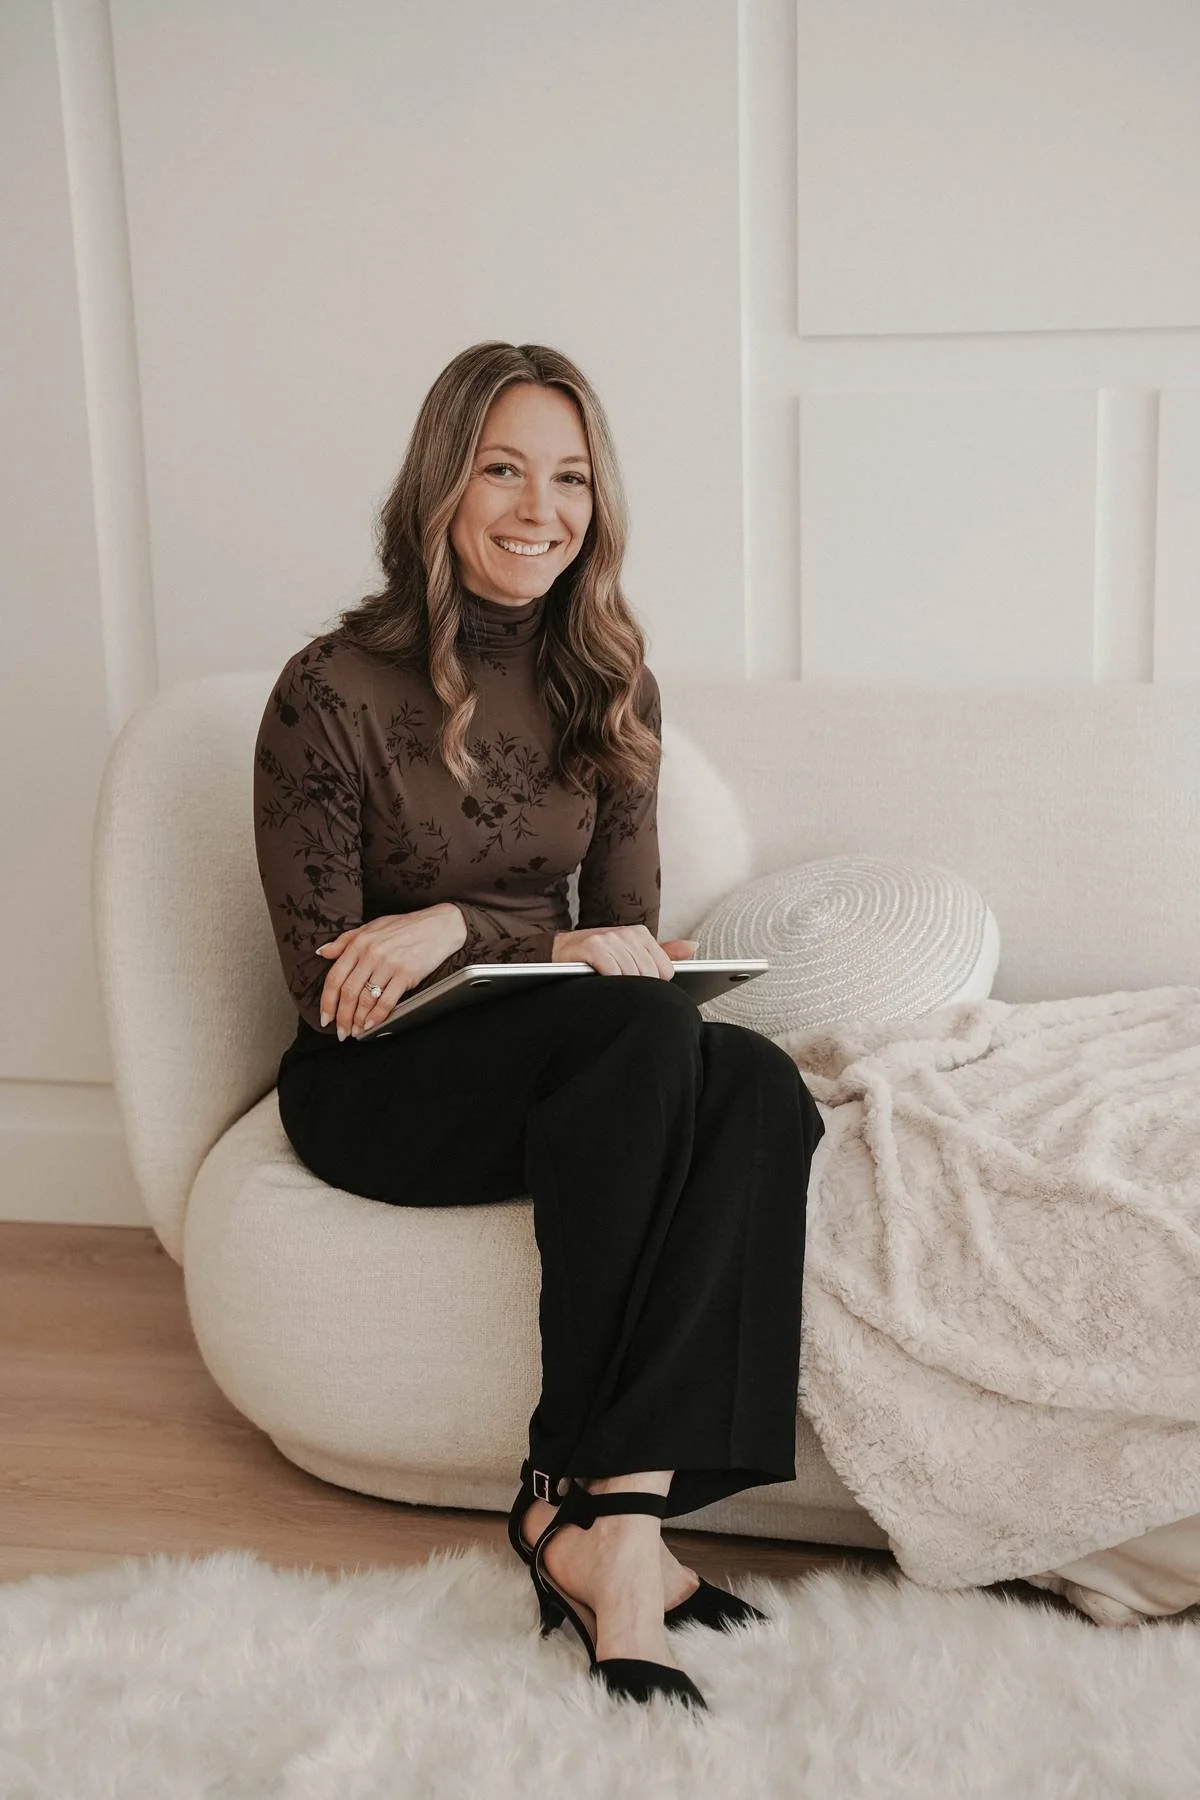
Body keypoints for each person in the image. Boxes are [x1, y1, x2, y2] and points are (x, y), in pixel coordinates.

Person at [252, 340, 826, 1712]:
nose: (538, 508)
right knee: (643, 1046)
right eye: (502, 469)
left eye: (569, 478)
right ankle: (577, 1511)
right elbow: (320, 973)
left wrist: (468, 925)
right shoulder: (330, 689)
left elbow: (626, 951)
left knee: (749, 1078)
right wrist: (489, 943)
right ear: (442, 487)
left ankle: (611, 1525)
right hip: (378, 1083)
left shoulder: (610, 683)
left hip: (571, 1067)